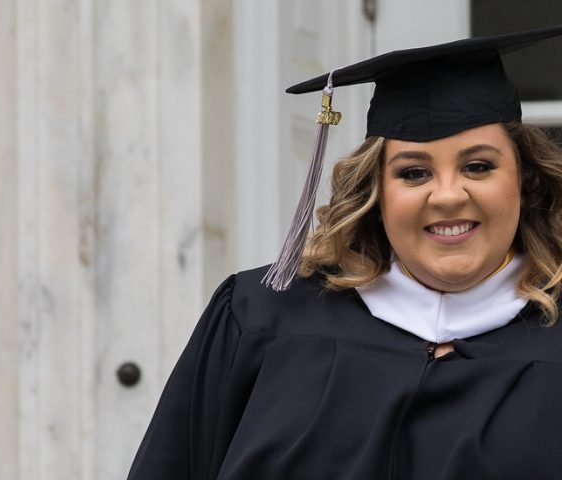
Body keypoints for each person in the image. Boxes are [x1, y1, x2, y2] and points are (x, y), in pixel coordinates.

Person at [127, 25, 562, 480]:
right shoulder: (260, 319)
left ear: (526, 182)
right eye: (413, 173)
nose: (447, 195)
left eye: (478, 166)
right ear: (376, 192)